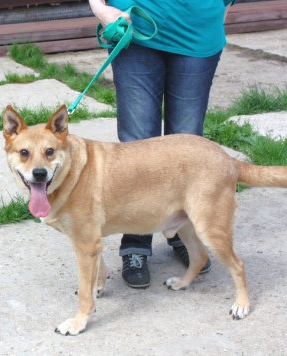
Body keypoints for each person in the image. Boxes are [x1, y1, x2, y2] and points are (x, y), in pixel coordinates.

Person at [88, 0, 235, 288]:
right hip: (135, 25)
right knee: (136, 146)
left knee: (188, 143)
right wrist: (99, 8)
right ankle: (136, 242)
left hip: (198, 29)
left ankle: (185, 231)